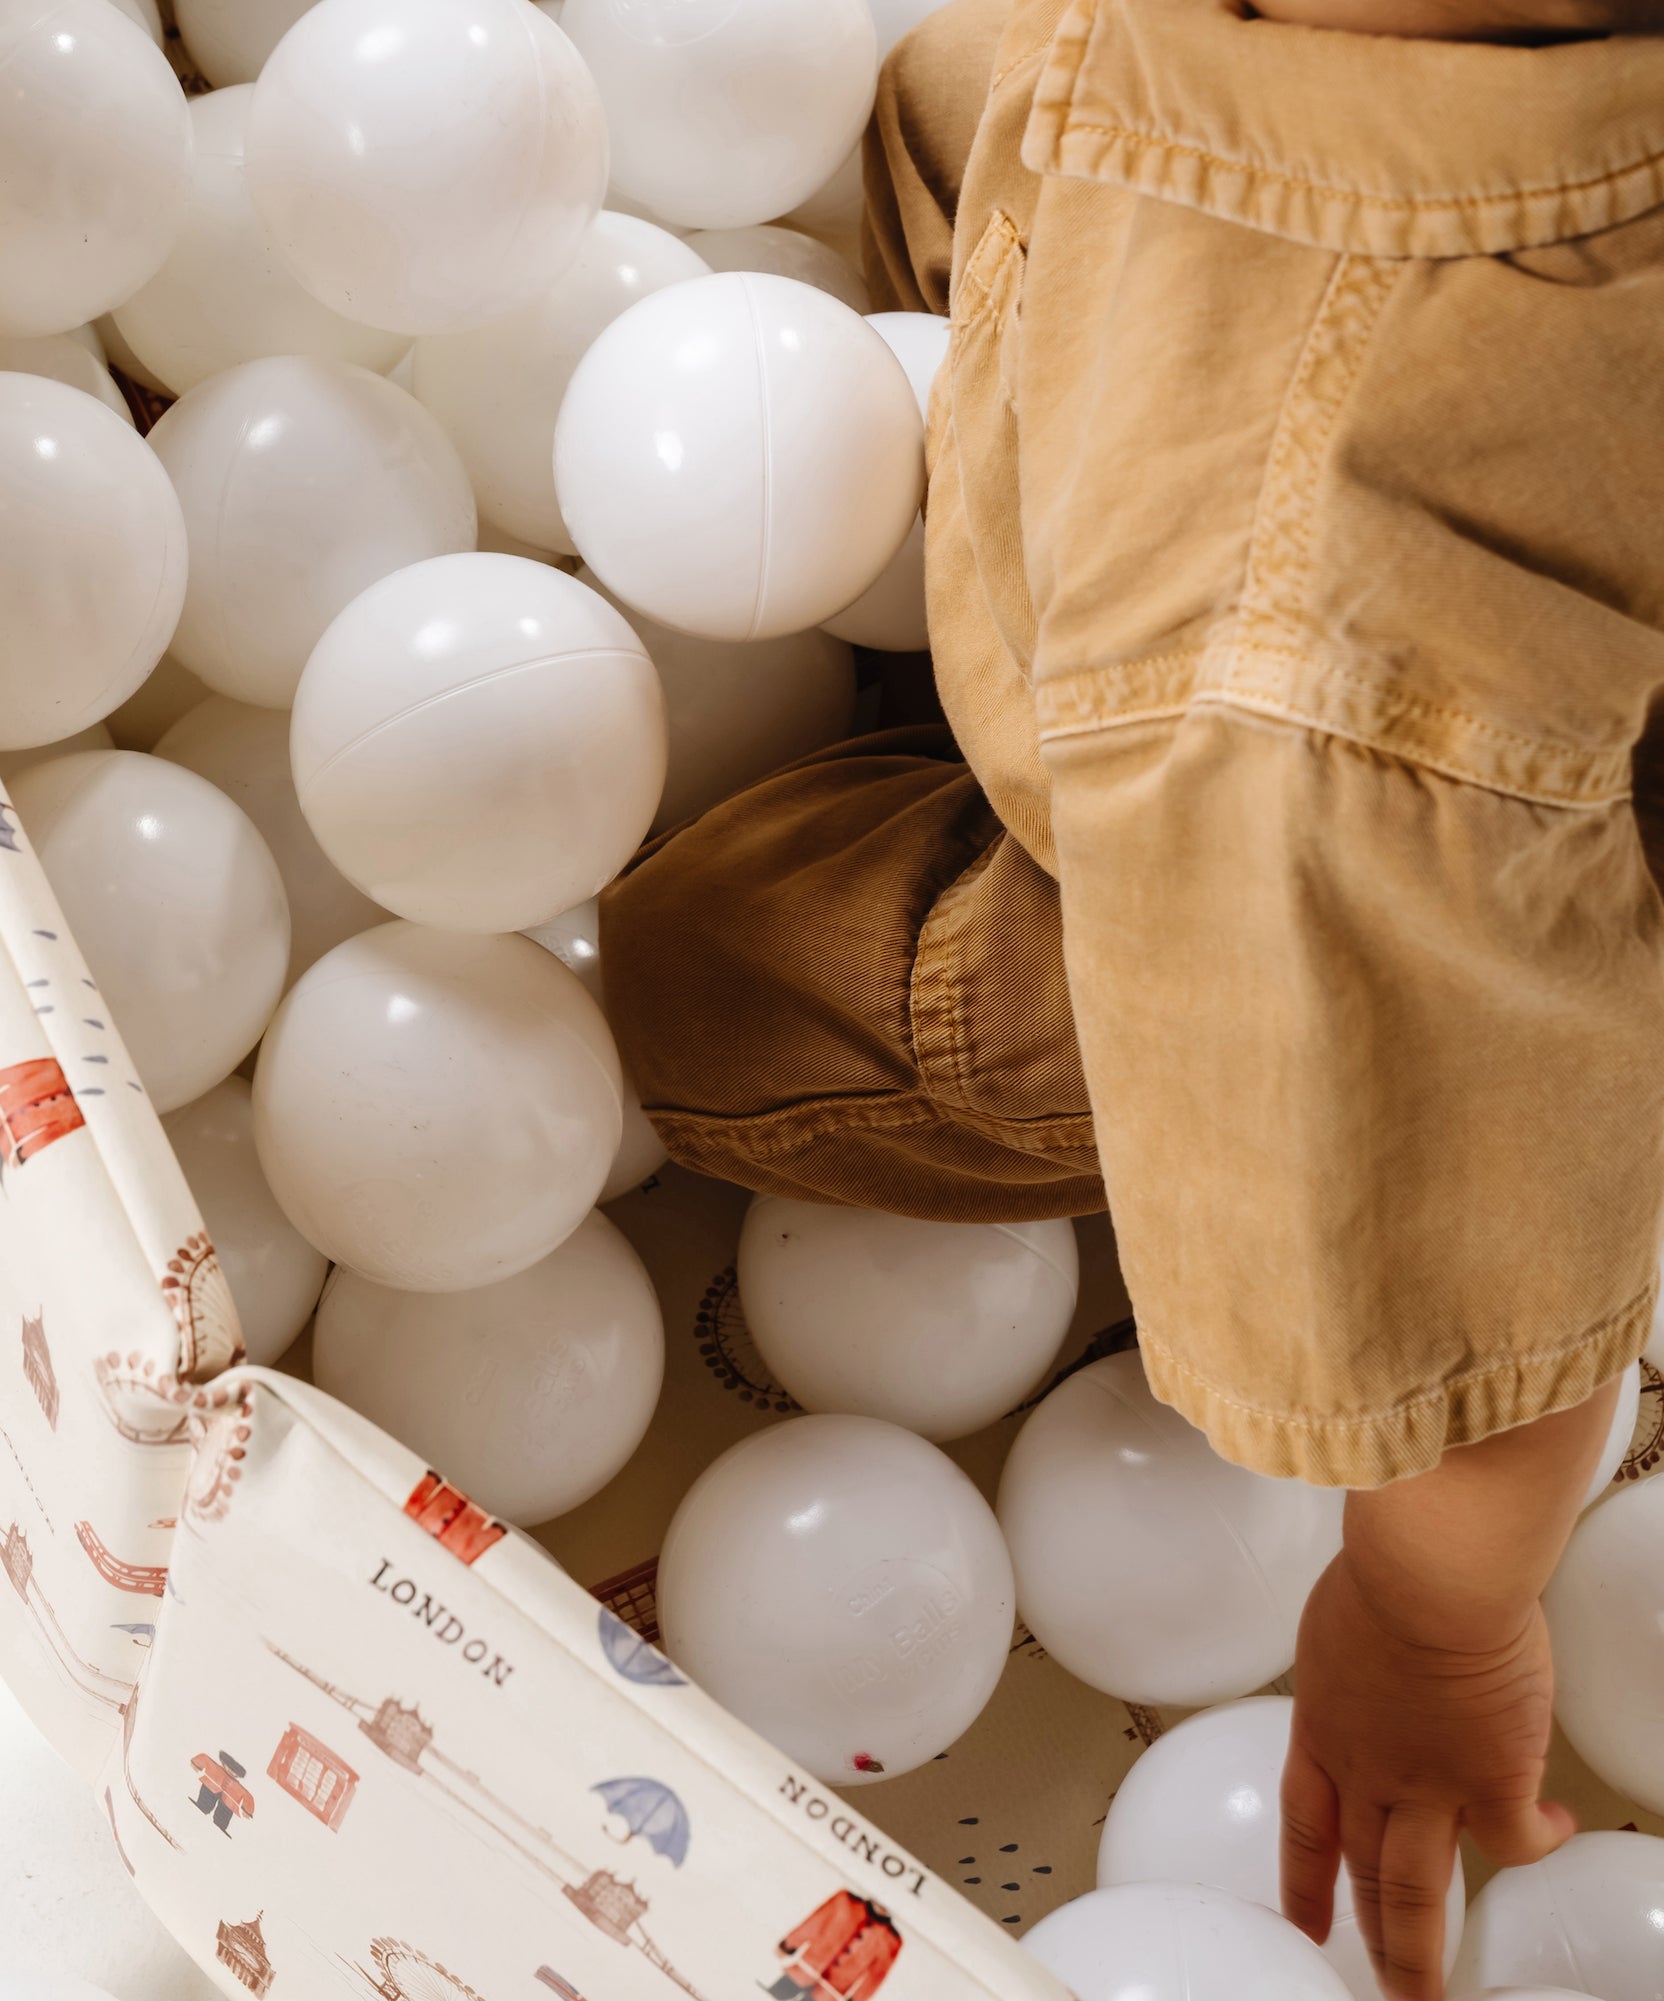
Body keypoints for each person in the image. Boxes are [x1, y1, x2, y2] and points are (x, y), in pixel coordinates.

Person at [597, 2, 1664, 1996]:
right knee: (951, 114)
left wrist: (1430, 1622)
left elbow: (1488, 1287)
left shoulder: (1322, 689)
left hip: (1306, 827)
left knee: (706, 990)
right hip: (1197, 184)